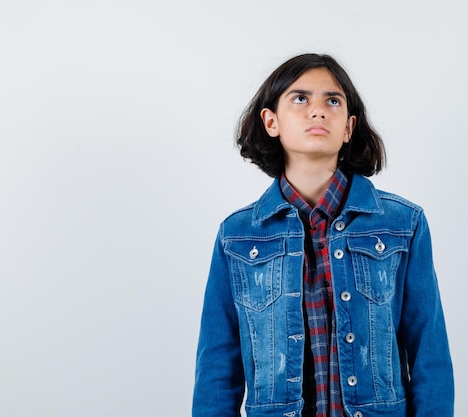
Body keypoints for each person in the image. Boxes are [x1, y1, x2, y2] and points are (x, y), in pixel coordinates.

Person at [192, 53, 454, 417]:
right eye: (300, 99)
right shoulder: (237, 237)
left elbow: (430, 353)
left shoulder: (402, 225)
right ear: (271, 121)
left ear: (348, 127)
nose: (318, 111)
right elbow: (218, 368)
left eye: (332, 100)